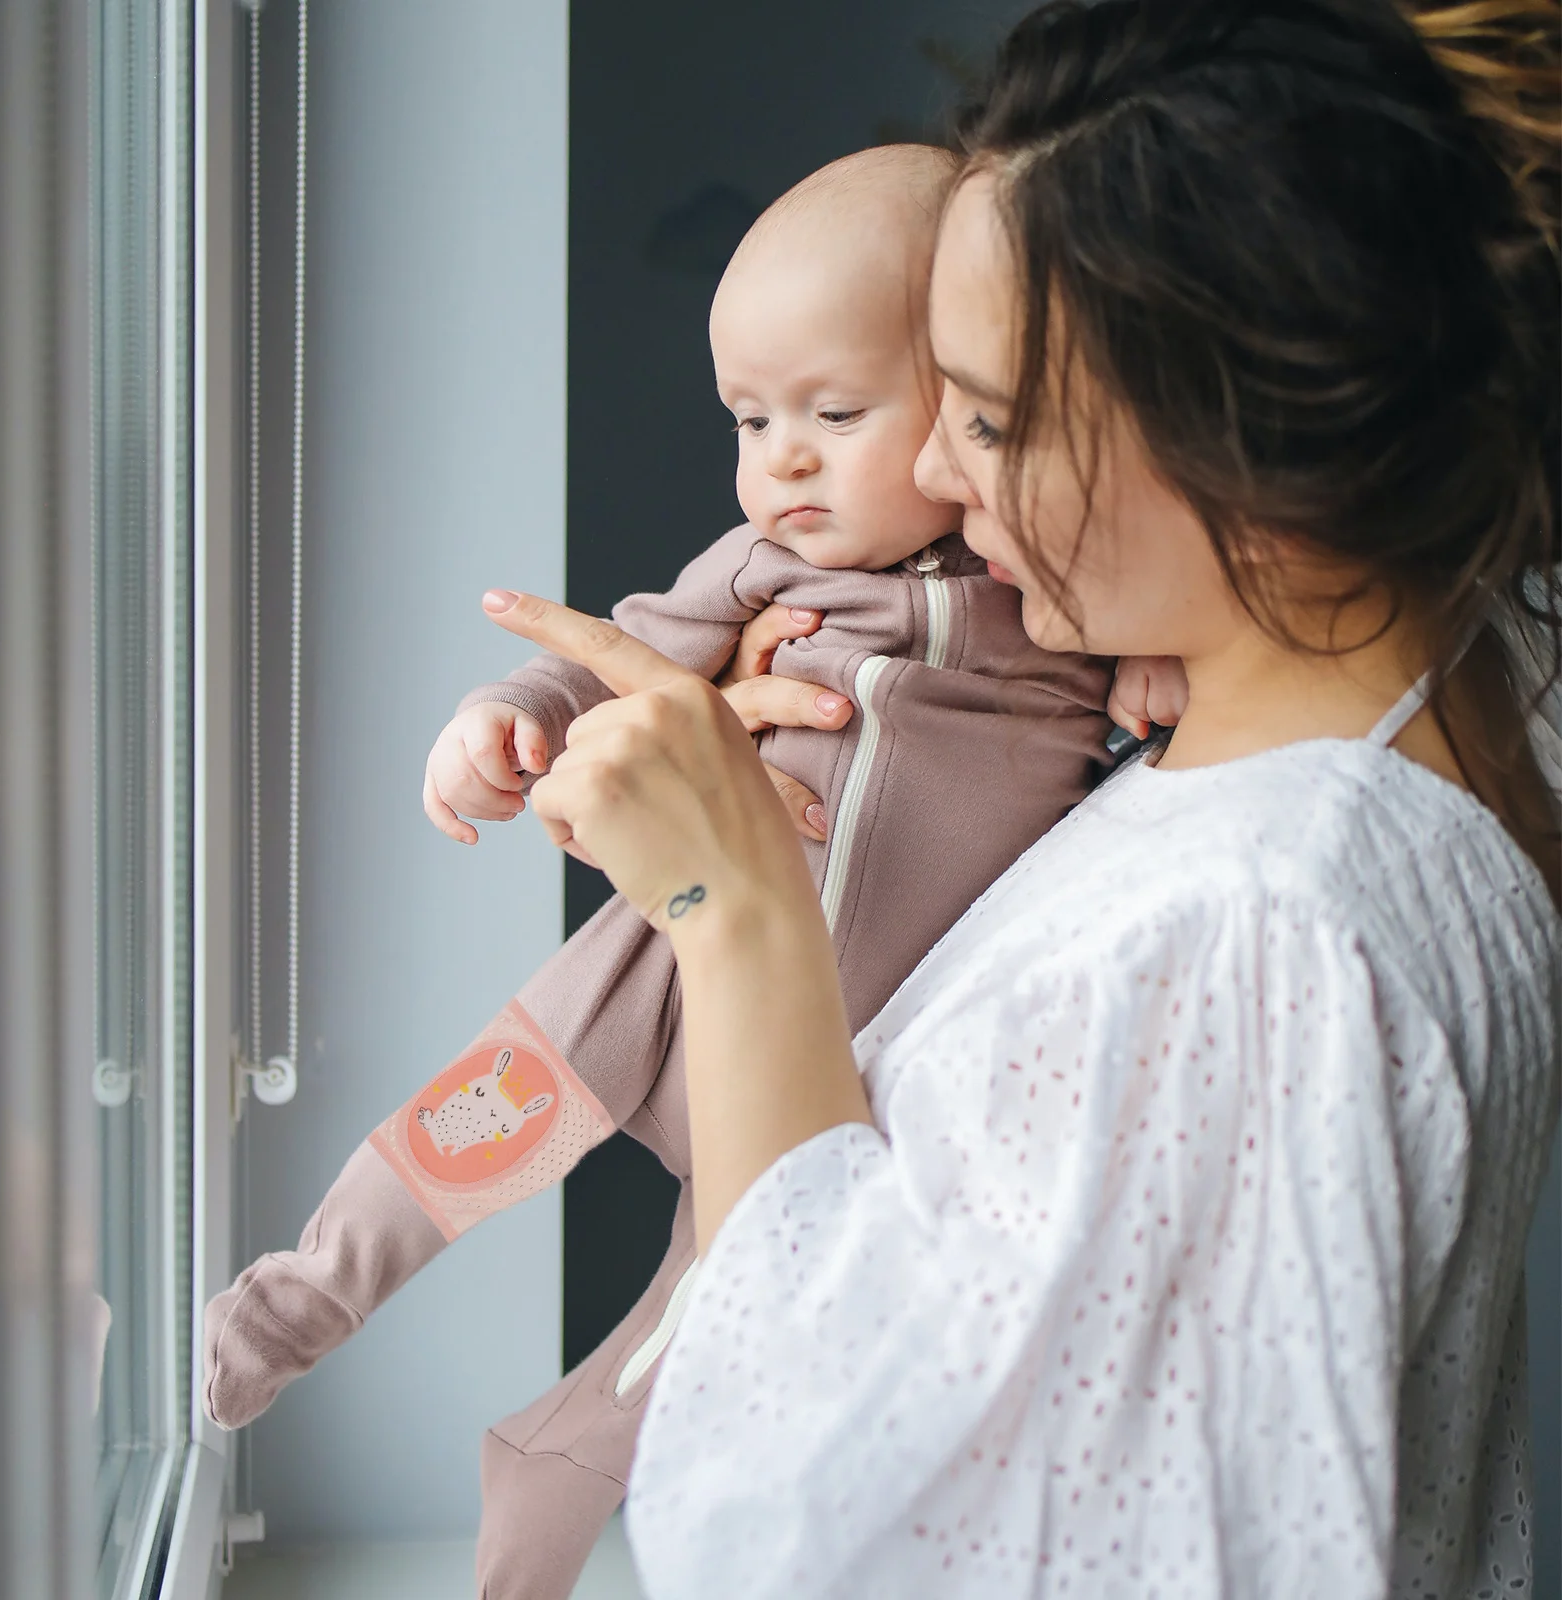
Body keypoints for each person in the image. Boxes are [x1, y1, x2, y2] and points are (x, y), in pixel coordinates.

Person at [464, 2, 1562, 1595]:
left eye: (986, 415)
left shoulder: (1250, 941)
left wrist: (734, 904)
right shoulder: (1434, 711)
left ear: (1232, 444)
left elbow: (830, 1540)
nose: (938, 475)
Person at [200, 145, 1117, 1599]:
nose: (783, 461)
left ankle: (541, 1482)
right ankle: (296, 1300)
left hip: (834, 1058)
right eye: (750, 419)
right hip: (669, 965)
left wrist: (1159, 681)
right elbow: (619, 651)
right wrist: (507, 719)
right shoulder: (763, 570)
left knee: (705, 1323)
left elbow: (1138, 668)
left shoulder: (1055, 579)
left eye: (835, 412)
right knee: (485, 1113)